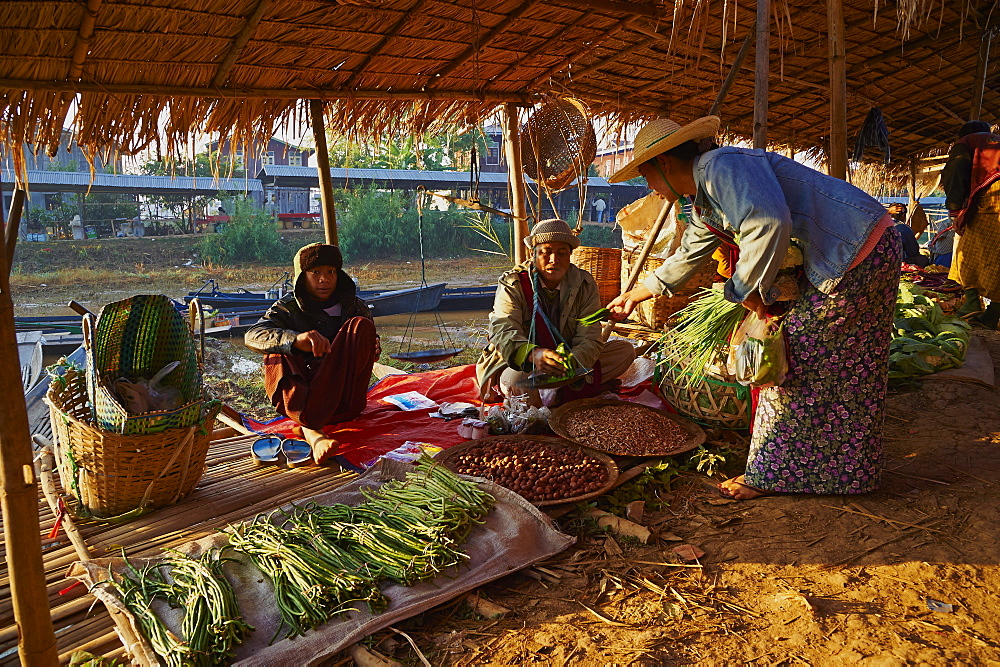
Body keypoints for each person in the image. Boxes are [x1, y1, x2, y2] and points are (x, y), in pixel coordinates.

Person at [607, 116, 901, 501]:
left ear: (665, 162)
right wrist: (640, 293)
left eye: (647, 174)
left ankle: (770, 473)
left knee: (793, 362)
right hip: (869, 247)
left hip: (854, 251)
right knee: (847, 366)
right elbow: (690, 251)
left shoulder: (719, 167)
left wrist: (741, 289)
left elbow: (768, 222)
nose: (649, 187)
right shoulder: (703, 200)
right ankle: (847, 474)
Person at [476, 218, 636, 407]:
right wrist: (533, 354)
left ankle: (559, 391)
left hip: (566, 361)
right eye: (546, 252)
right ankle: (571, 392)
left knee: (625, 351)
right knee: (515, 381)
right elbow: (503, 330)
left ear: (570, 254)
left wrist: (570, 364)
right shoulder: (514, 284)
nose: (554, 260)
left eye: (562, 253)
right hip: (526, 365)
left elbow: (589, 336)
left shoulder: (584, 284)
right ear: (532, 253)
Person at [245, 243, 380, 462]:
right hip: (305, 401)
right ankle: (311, 428)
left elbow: (370, 354)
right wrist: (295, 340)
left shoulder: (356, 308)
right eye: (315, 272)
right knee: (275, 347)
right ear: (302, 277)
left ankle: (309, 429)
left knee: (360, 327)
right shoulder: (286, 308)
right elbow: (252, 336)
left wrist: (369, 348)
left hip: (345, 402)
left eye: (330, 272)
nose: (324, 279)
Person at [941, 120, 1000, 328]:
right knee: (996, 262)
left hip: (990, 206)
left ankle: (972, 303)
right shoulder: (996, 144)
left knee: (966, 256)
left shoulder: (966, 143)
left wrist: (956, 209)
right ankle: (993, 314)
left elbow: (955, 173)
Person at [888, 202, 929, 267]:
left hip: (885, 259)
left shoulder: (881, 225)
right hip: (899, 261)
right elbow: (913, 251)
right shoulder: (904, 228)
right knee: (924, 259)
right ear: (903, 216)